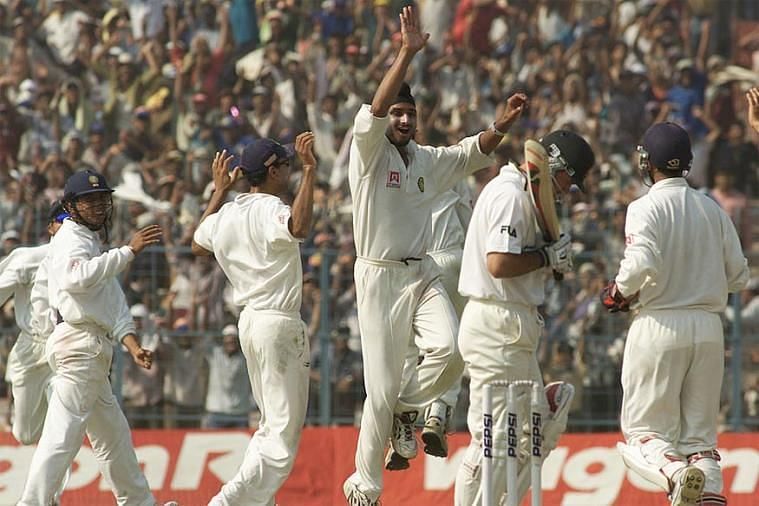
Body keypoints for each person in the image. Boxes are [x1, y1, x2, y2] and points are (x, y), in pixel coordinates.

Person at [342, 7, 527, 504]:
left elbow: (469, 153)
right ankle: (364, 484)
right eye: (397, 114)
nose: (402, 119)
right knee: (378, 390)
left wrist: (500, 126)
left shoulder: (424, 161)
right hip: (378, 278)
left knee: (452, 349)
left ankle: (407, 409)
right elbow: (375, 111)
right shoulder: (368, 154)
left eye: (410, 115)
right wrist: (405, 53)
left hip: (421, 274)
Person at [605, 122, 749, 506]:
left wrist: (617, 293)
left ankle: (674, 471)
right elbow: (739, 275)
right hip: (708, 328)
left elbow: (639, 265)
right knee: (701, 442)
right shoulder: (711, 208)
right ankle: (708, 491)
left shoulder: (644, 206)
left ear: (647, 162)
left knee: (643, 434)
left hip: (659, 323)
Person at [454, 129, 595, 505]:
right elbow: (499, 263)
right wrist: (547, 258)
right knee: (495, 438)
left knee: (534, 431)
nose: (567, 191)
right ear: (556, 166)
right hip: (497, 326)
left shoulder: (517, 195)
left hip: (510, 327)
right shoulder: (511, 196)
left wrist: (547, 255)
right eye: (569, 181)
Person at [19, 169, 164, 506]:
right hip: (80, 348)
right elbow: (74, 279)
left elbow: (112, 304)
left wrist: (132, 344)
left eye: (102, 198)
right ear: (71, 206)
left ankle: (140, 502)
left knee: (113, 438)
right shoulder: (71, 237)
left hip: (92, 350)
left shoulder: (90, 244)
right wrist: (129, 251)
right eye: (89, 199)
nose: (99, 205)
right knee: (62, 436)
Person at [191, 132, 317, 505]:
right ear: (271, 170)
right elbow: (299, 227)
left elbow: (198, 244)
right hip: (278, 323)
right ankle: (228, 501)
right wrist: (311, 171)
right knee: (281, 438)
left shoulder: (228, 211)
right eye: (287, 165)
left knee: (268, 426)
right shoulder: (269, 209)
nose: (291, 171)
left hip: (250, 324)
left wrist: (218, 191)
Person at [385, 180, 473, 471]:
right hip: (452, 260)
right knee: (455, 342)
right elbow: (470, 227)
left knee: (410, 349)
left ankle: (404, 428)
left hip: (409, 264)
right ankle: (438, 410)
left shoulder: (398, 177)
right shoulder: (455, 177)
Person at [2, 201, 65, 449]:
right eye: (64, 220)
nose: (71, 226)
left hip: (67, 345)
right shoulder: (30, 259)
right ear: (51, 227)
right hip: (32, 346)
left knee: (66, 421)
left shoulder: (91, 258)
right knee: (25, 433)